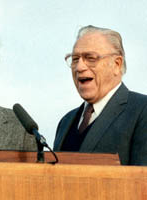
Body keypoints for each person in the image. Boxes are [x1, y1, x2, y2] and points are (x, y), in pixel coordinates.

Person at [53, 25, 147, 165]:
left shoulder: (142, 110)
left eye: (90, 58)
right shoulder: (65, 121)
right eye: (75, 59)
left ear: (116, 64)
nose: (79, 67)